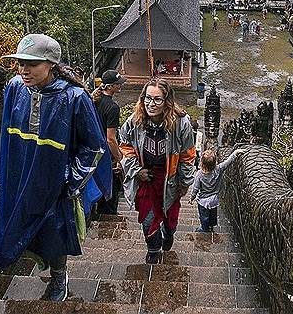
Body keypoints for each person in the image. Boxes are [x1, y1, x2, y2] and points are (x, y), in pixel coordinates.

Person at [0, 34, 112, 302]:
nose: (23, 70)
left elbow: (94, 146)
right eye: (20, 63)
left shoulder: (74, 97)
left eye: (32, 64)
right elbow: (7, 133)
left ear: (50, 65)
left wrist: (71, 181)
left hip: (55, 181)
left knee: (55, 230)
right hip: (23, 174)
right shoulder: (15, 87)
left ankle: (59, 277)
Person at [120, 78, 196, 264]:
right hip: (147, 178)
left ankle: (168, 234)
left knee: (170, 219)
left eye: (157, 100)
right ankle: (153, 248)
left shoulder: (180, 123)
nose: (151, 104)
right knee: (147, 219)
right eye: (147, 98)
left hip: (170, 178)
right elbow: (125, 145)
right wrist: (137, 170)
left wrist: (185, 182)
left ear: (167, 101)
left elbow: (187, 155)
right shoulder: (135, 121)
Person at [92, 69, 127, 215]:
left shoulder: (94, 100)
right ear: (110, 86)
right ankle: (108, 215)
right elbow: (111, 138)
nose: (120, 86)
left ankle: (96, 213)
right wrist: (120, 159)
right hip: (107, 154)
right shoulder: (112, 108)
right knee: (110, 190)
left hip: (93, 149)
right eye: (118, 84)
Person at [190, 148, 246, 232]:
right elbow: (228, 162)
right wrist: (235, 153)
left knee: (204, 216)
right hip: (214, 199)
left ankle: (204, 229)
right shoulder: (218, 169)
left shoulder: (199, 175)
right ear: (215, 162)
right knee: (213, 214)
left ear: (202, 162)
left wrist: (192, 198)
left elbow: (195, 188)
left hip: (203, 201)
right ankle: (211, 226)